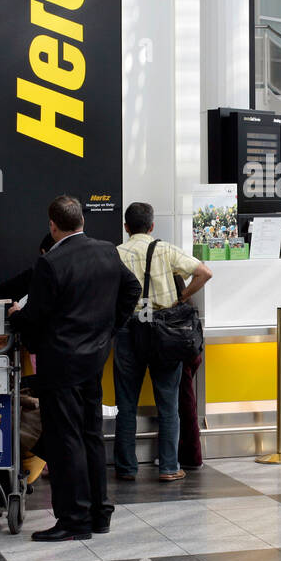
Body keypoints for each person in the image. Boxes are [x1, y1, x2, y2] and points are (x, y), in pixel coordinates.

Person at [8, 196, 140, 541]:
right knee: (91, 435)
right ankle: (100, 513)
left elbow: (35, 316)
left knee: (66, 439)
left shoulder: (50, 263)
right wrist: (109, 328)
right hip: (95, 359)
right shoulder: (107, 251)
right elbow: (132, 288)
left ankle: (74, 519)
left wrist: (16, 318)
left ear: (53, 226)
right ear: (82, 220)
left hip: (61, 363)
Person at [114, 202, 213, 483]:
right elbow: (204, 272)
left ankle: (126, 467)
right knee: (168, 404)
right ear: (152, 226)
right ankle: (169, 467)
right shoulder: (165, 249)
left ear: (126, 227)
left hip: (128, 330)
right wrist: (182, 298)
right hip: (164, 331)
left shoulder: (116, 253)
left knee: (126, 404)